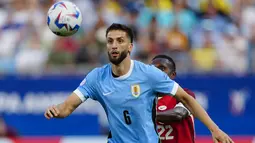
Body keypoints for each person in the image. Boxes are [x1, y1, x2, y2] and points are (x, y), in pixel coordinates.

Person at [44, 23, 233, 143]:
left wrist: (214, 130)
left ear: (130, 46)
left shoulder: (149, 74)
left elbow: (185, 98)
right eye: (110, 41)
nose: (114, 45)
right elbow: (67, 107)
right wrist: (56, 110)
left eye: (120, 41)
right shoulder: (96, 77)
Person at [151, 54, 196, 143]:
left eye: (162, 68)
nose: (156, 72)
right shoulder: (144, 98)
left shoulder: (185, 94)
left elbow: (178, 114)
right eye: (152, 69)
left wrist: (144, 115)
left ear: (173, 75)